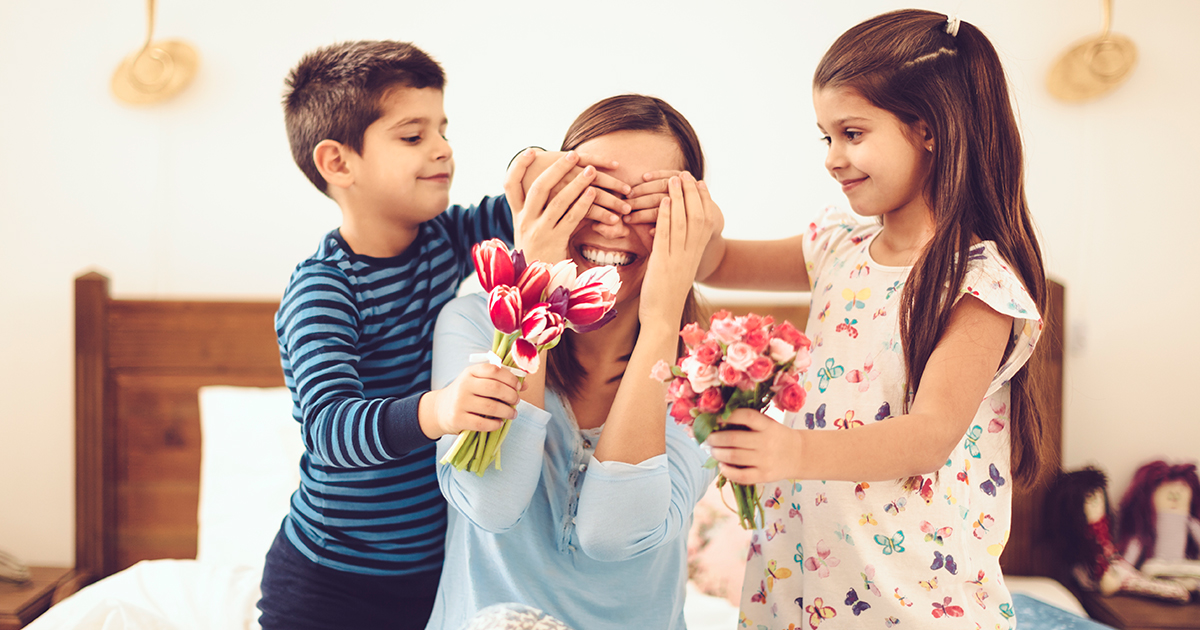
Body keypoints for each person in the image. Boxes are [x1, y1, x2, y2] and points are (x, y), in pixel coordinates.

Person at [257, 40, 627, 630]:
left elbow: (526, 210)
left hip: (430, 572)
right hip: (331, 582)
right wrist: (441, 410)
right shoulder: (325, 289)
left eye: (443, 129)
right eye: (413, 136)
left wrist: (542, 166)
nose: (443, 150)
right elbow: (328, 428)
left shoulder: (443, 238)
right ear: (338, 163)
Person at [701, 10, 1050, 628]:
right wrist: (680, 206)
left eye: (852, 133)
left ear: (930, 130)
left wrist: (793, 451)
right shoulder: (837, 243)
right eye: (825, 137)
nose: (833, 158)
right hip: (802, 571)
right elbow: (718, 260)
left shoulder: (977, 283)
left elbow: (931, 434)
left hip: (909, 593)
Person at [425, 94, 719, 630]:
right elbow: (490, 503)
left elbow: (613, 534)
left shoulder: (714, 372)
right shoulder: (473, 323)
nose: (611, 225)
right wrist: (534, 279)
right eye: (595, 195)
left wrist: (661, 321)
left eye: (648, 205)